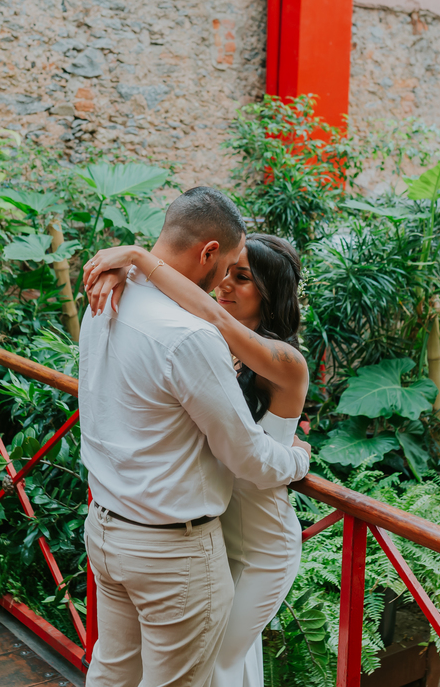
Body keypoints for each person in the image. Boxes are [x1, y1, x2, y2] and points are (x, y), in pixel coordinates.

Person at [77, 186, 311, 687]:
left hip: (246, 538)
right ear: (209, 253)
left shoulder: (280, 360)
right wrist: (296, 461)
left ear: (270, 293)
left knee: (180, 668)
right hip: (180, 542)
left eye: (241, 277)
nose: (224, 282)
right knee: (185, 673)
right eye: (228, 267)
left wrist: (137, 260)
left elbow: (211, 315)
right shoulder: (194, 338)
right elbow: (208, 321)